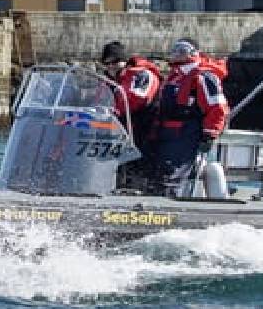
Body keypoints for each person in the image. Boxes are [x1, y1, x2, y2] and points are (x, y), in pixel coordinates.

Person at [150, 38, 230, 195]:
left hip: (186, 132)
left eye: (183, 50)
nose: (177, 54)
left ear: (194, 52)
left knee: (173, 175)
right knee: (160, 173)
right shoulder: (175, 76)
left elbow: (217, 107)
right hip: (167, 132)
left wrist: (210, 134)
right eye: (175, 50)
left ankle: (172, 201)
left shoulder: (204, 76)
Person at [99, 41, 162, 146]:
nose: (111, 66)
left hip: (143, 127)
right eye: (107, 63)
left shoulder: (141, 75)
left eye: (115, 61)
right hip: (120, 127)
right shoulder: (108, 81)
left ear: (124, 61)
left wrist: (113, 110)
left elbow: (137, 100)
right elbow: (98, 100)